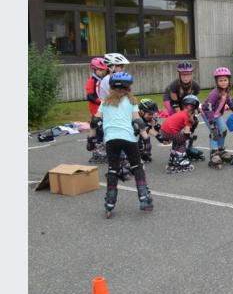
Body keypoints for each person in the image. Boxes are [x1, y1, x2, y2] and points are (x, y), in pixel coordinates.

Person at [86, 72, 153, 218]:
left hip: (111, 140)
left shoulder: (105, 102)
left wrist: (90, 140)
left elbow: (94, 122)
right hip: (128, 138)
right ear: (129, 88)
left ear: (111, 87)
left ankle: (110, 203)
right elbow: (138, 122)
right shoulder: (132, 102)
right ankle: (143, 199)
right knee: (137, 167)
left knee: (113, 170)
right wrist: (147, 140)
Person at [162, 61, 203, 161]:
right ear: (179, 75)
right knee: (178, 120)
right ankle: (176, 148)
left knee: (193, 121)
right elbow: (176, 105)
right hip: (171, 100)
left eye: (188, 74)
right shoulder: (174, 85)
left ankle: (188, 145)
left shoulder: (195, 86)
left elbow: (193, 102)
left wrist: (194, 113)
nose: (186, 77)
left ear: (191, 74)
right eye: (183, 75)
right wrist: (184, 119)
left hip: (185, 100)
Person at [201, 67, 233, 169]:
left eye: (225, 80)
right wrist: (212, 123)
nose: (223, 82)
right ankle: (214, 154)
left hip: (216, 114)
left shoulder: (226, 91)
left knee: (223, 131)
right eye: (220, 80)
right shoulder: (214, 93)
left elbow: (228, 101)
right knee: (215, 132)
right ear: (216, 82)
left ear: (229, 80)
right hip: (207, 114)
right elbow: (208, 108)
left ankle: (220, 150)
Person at [158, 94, 200, 174]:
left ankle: (173, 157)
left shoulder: (181, 113)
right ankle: (179, 159)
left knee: (178, 138)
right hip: (170, 132)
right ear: (195, 108)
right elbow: (187, 132)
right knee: (182, 140)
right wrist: (191, 136)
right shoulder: (188, 116)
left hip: (164, 130)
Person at [85, 57, 109, 164]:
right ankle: (95, 150)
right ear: (94, 70)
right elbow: (90, 96)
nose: (102, 72)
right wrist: (102, 102)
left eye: (103, 70)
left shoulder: (104, 80)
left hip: (105, 110)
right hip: (96, 110)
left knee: (104, 130)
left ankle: (103, 149)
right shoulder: (92, 81)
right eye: (100, 70)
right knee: (98, 130)